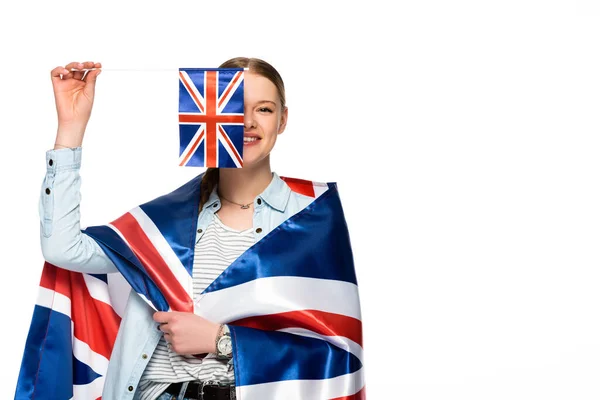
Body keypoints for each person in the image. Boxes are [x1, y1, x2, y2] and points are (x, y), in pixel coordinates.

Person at [40, 57, 316, 400]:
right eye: (233, 107)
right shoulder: (168, 220)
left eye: (263, 109)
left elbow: (330, 351)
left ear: (283, 119)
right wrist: (71, 128)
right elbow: (62, 249)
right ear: (209, 112)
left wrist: (220, 340)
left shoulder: (310, 217)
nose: (246, 122)